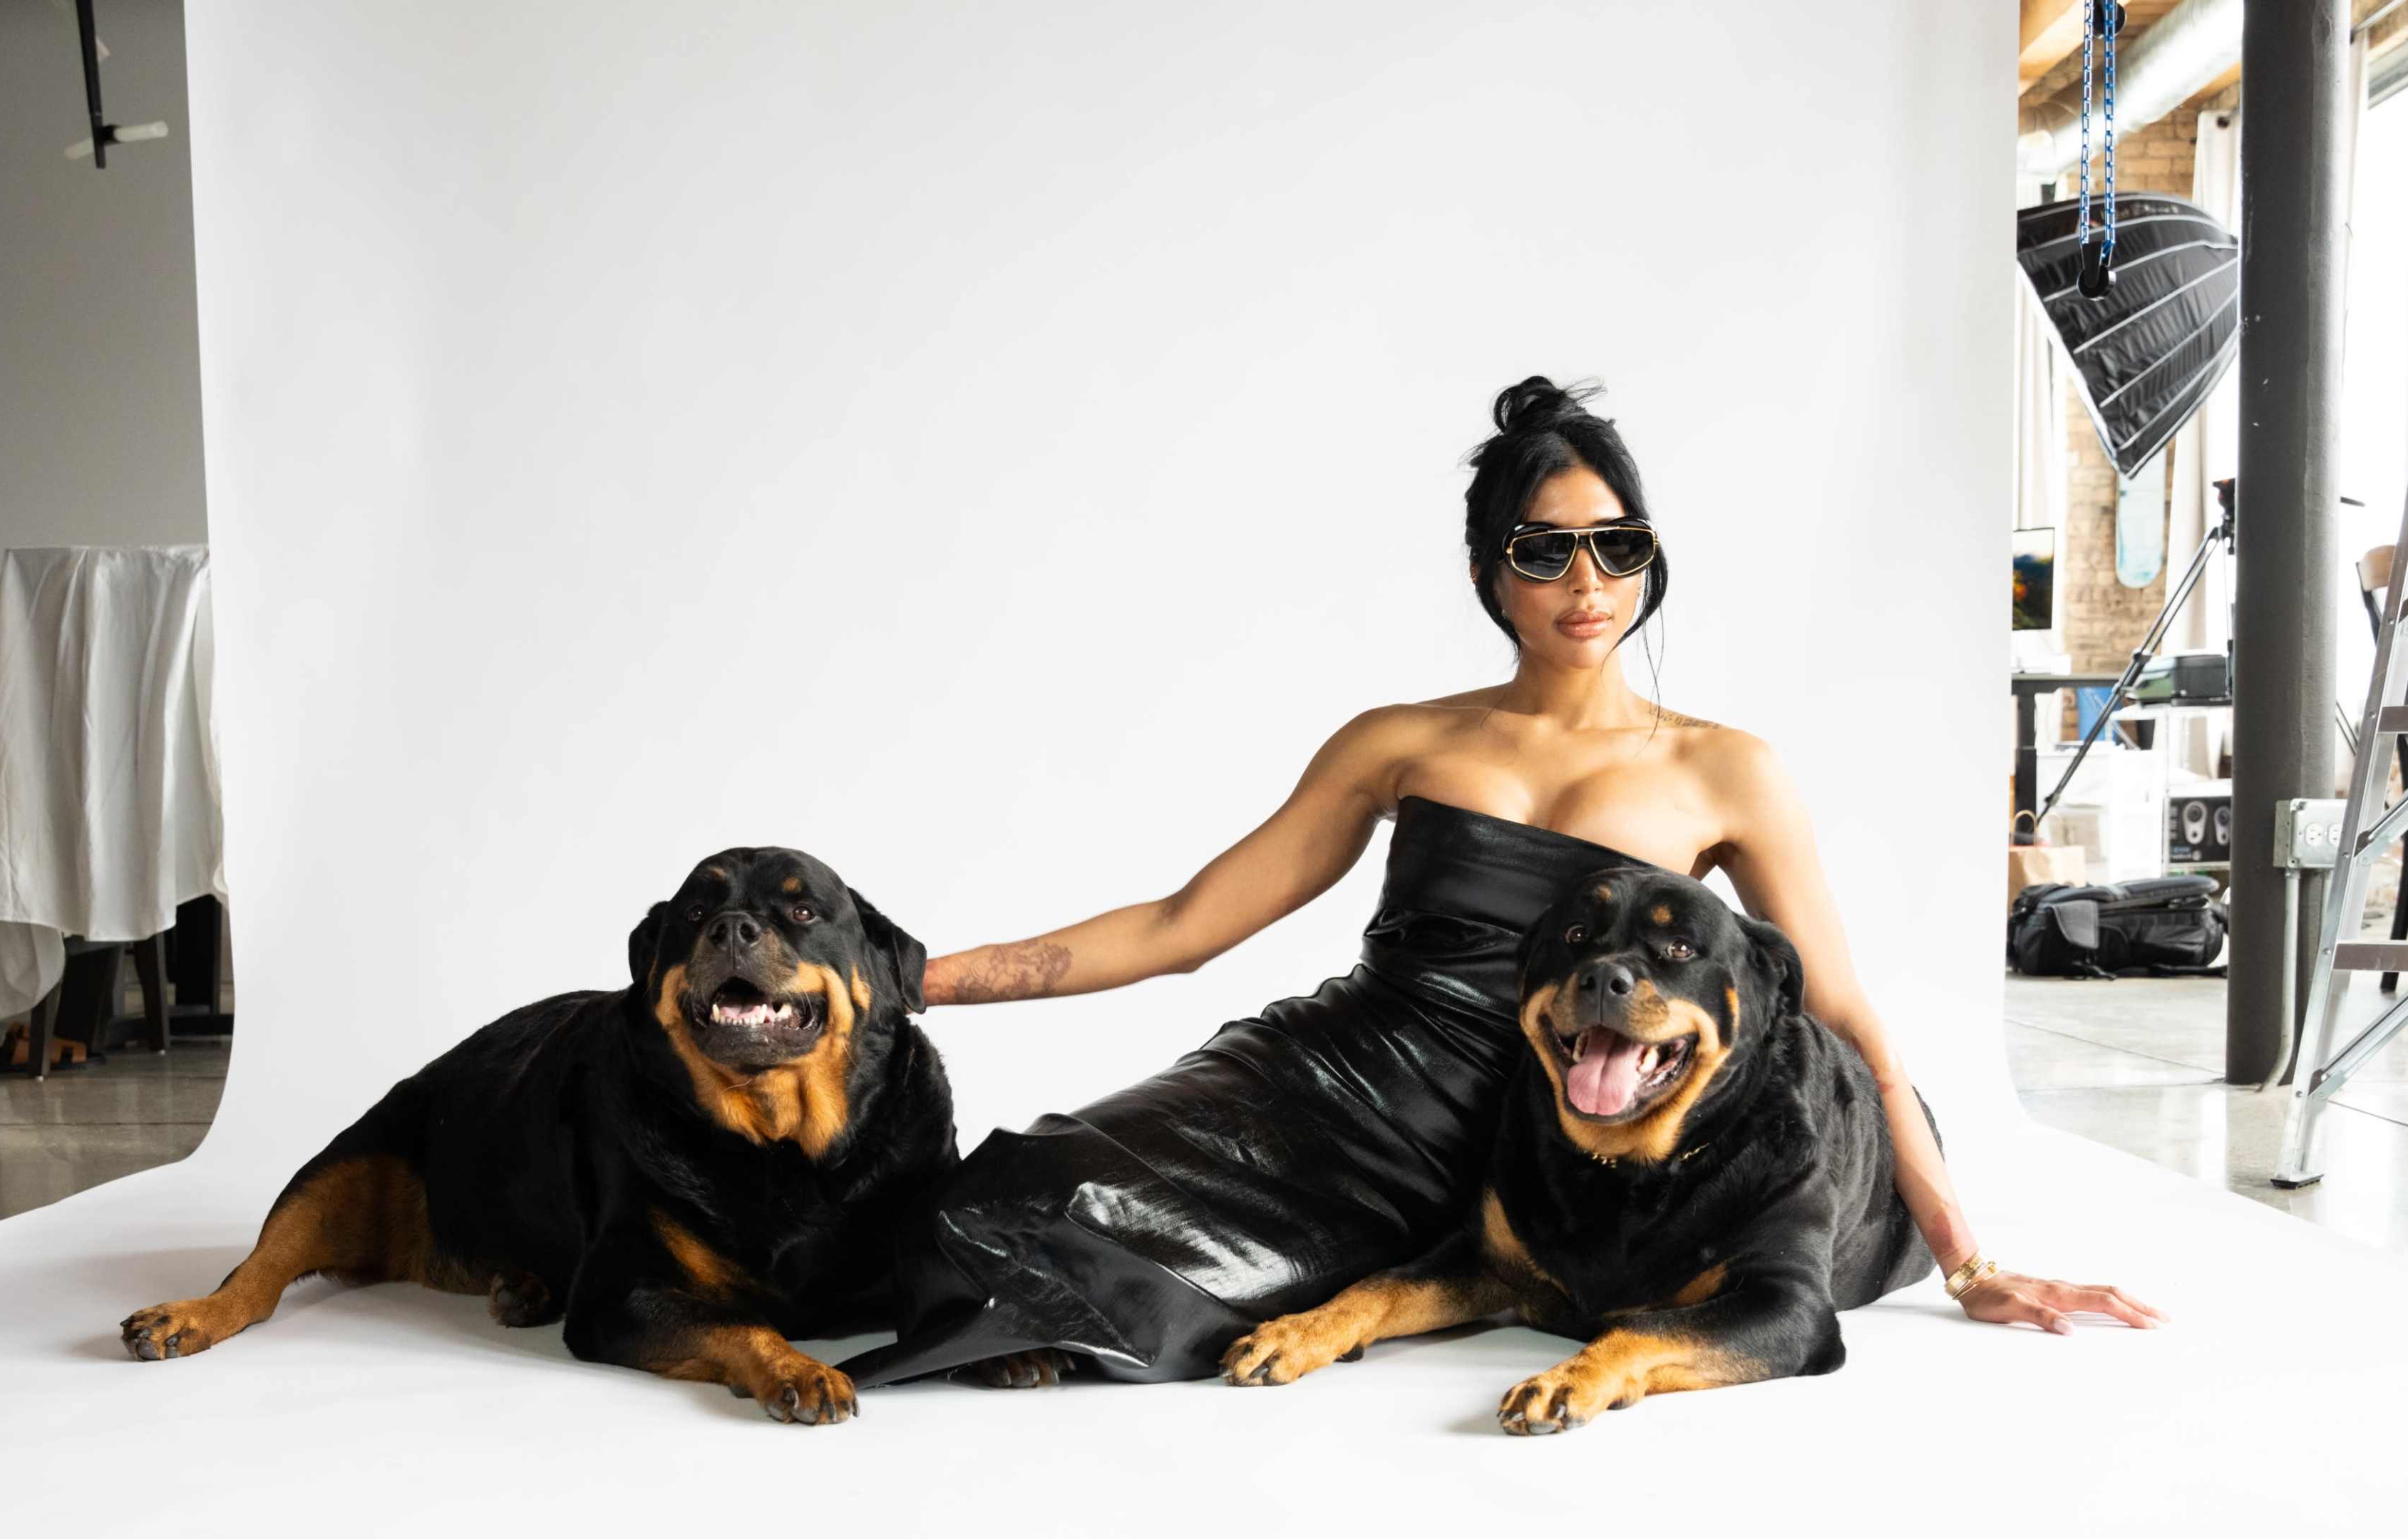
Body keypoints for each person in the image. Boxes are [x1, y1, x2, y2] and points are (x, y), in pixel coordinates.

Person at [834, 376, 2163, 1389]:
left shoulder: (1726, 771)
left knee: (1068, 1260)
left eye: (1616, 546)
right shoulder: (1400, 741)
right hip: (1324, 1075)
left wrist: (1968, 1260)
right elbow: (1185, 926)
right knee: (996, 1201)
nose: (1587, 582)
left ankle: (1083, 1328)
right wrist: (908, 983)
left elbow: (1846, 1016)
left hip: (1515, 1142)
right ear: (1491, 575)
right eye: (1545, 550)